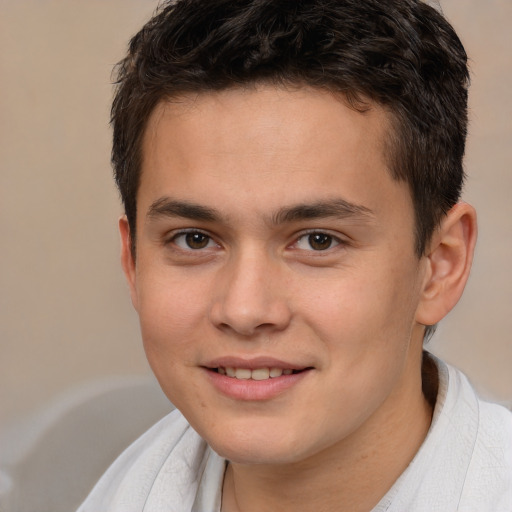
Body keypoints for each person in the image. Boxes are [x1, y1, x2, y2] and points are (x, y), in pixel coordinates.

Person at [77, 0, 512, 510]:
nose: (244, 310)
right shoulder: (118, 494)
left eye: (318, 240)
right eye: (194, 239)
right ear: (134, 264)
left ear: (440, 266)